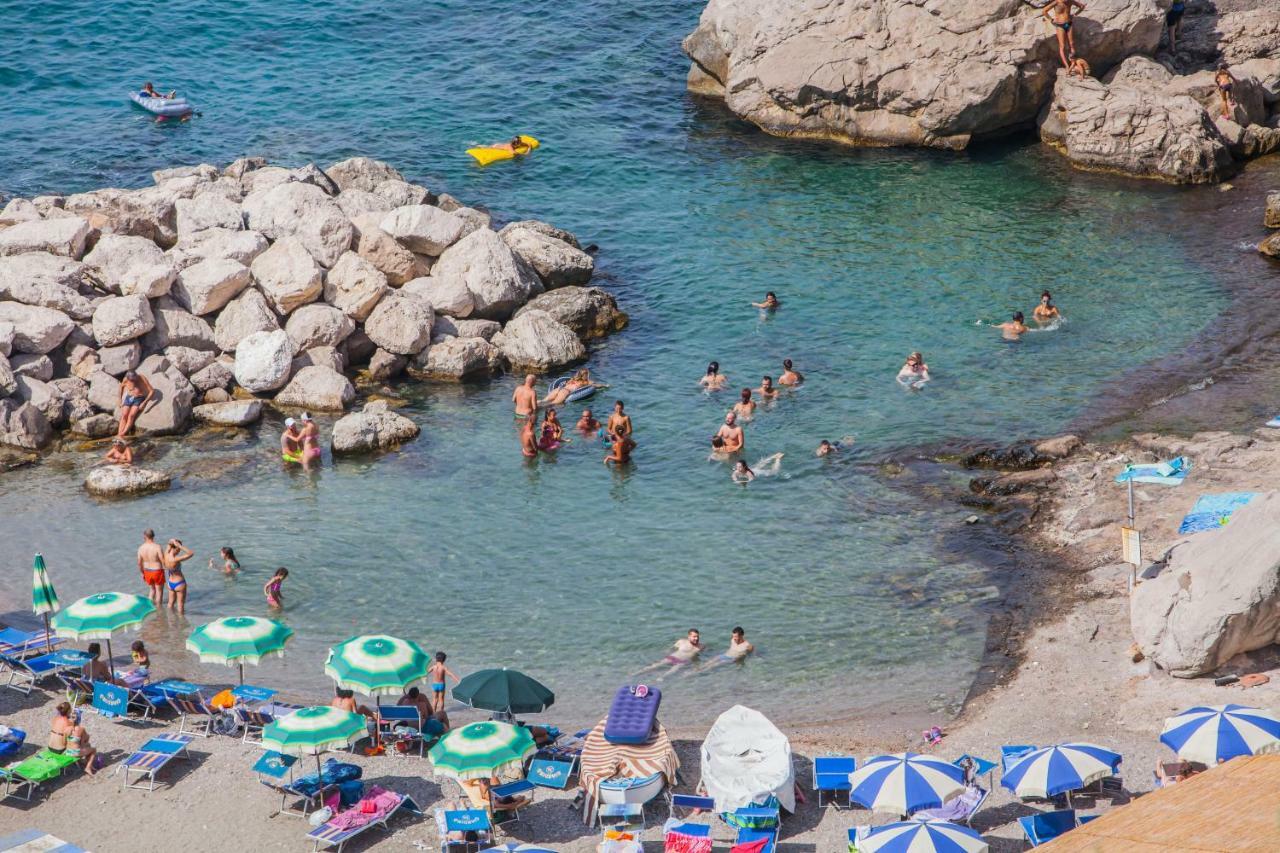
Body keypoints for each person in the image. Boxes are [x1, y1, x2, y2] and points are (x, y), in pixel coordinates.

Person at [51, 702, 99, 775]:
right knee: (92, 749)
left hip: (64, 751)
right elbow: (82, 744)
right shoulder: (79, 728)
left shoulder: (63, 725)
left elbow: (64, 742)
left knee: (80, 745)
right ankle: (88, 767)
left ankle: (81, 761)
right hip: (72, 752)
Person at [638, 629, 705, 673]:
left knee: (671, 672)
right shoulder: (681, 641)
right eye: (694, 636)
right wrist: (666, 653)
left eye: (697, 636)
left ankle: (660, 678)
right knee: (655, 666)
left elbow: (699, 656)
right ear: (689, 636)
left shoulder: (701, 646)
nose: (696, 638)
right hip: (672, 657)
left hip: (682, 662)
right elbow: (671, 649)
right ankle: (637, 673)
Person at [1043, 0, 1086, 68]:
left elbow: (1082, 6)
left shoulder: (1070, 1)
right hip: (1060, 25)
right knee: (1062, 46)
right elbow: (1044, 11)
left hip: (1068, 24)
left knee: (1071, 44)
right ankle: (1066, 66)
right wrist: (1051, 19)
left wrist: (1075, 14)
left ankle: (1072, 63)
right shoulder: (1056, 2)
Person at [116, 370, 154, 437]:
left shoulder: (142, 378)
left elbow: (152, 391)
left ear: (136, 376)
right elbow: (121, 387)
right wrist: (120, 399)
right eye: (131, 380)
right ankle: (119, 433)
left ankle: (123, 433)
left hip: (139, 398)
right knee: (124, 414)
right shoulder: (126, 379)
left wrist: (144, 402)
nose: (133, 381)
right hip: (129, 397)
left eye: (134, 379)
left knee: (131, 415)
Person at [163, 538, 193, 613]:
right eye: (179, 549)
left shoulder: (165, 555)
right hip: (179, 583)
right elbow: (191, 553)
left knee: (170, 603)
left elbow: (169, 543)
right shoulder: (175, 559)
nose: (179, 551)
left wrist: (172, 541)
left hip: (170, 583)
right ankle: (181, 623)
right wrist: (180, 546)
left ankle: (170, 620)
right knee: (180, 605)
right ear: (176, 548)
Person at [137, 528, 165, 605]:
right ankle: (159, 610)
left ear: (144, 536)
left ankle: (150, 606)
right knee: (159, 592)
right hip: (157, 571)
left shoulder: (141, 548)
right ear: (153, 536)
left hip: (147, 571)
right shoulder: (157, 547)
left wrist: (142, 572)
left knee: (152, 590)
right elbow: (162, 560)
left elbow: (139, 563)